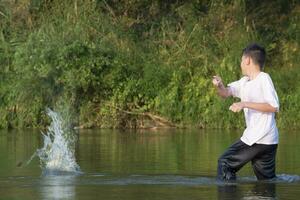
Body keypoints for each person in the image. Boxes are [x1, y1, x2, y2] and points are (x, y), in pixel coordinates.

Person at [212, 43, 279, 181]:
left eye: (242, 60)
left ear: (247, 60)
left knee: (224, 163)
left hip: (258, 137)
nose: (241, 63)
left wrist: (244, 103)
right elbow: (225, 93)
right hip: (268, 141)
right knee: (266, 181)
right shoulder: (244, 82)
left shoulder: (263, 78)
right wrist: (219, 85)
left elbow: (273, 106)